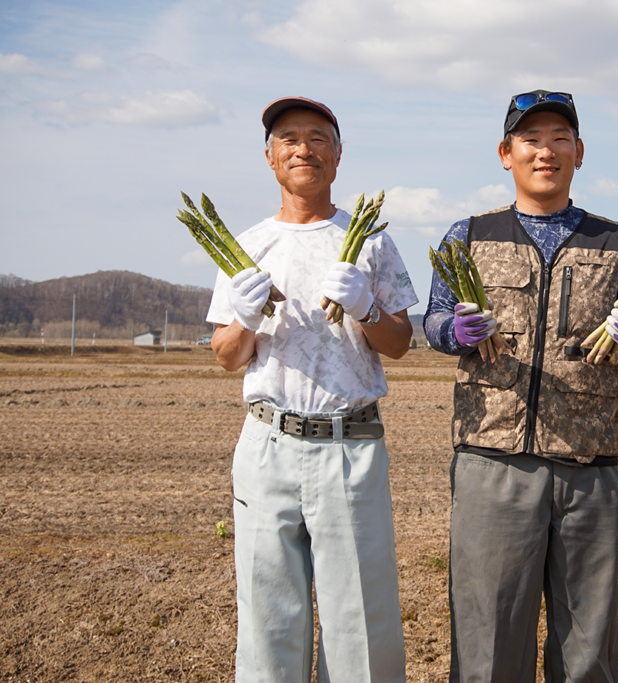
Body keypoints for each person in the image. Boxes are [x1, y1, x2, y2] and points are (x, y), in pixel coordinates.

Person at [423, 90, 618, 683]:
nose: (545, 151)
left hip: (589, 464)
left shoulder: (616, 240)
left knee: (589, 644)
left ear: (579, 152)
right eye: (531, 139)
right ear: (506, 153)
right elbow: (433, 319)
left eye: (559, 139)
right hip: (491, 458)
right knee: (488, 638)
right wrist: (454, 328)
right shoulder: (468, 233)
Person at [205, 96, 418, 682]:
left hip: (349, 444)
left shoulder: (368, 240)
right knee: (268, 614)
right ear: (270, 157)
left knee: (361, 621)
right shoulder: (244, 246)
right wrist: (244, 320)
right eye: (290, 139)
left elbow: (398, 342)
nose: (304, 149)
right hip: (267, 443)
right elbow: (227, 357)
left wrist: (366, 305)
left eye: (318, 138)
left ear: (338, 154)